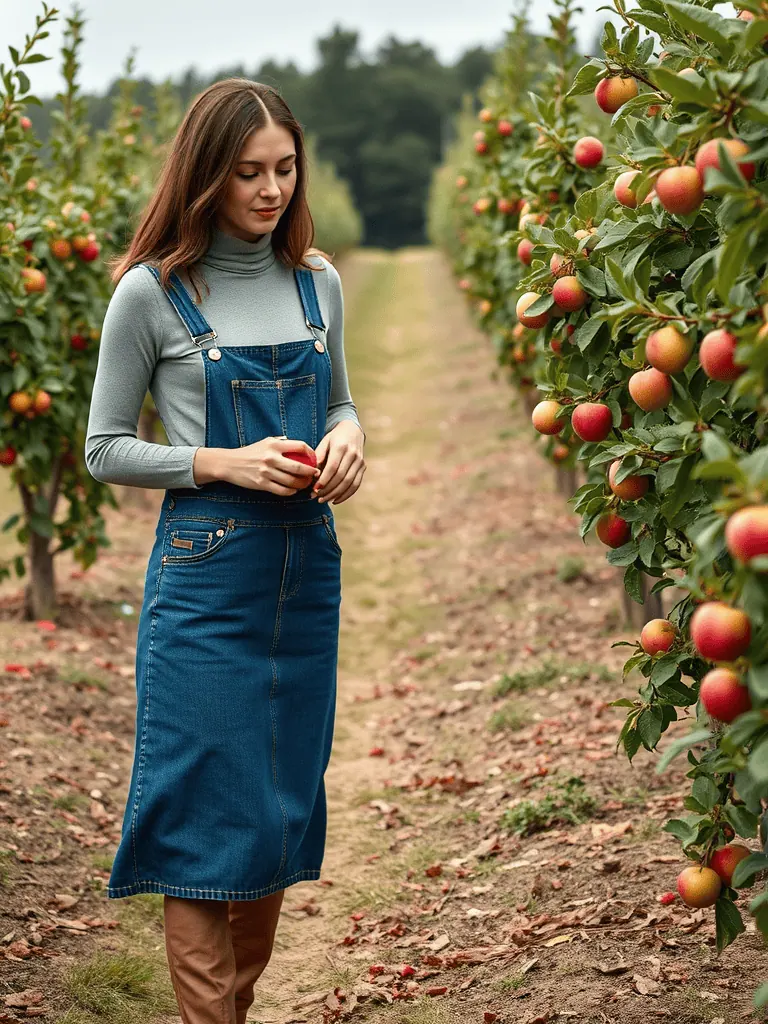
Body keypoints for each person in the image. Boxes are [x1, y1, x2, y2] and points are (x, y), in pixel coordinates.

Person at [84, 77, 366, 1024]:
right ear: (207, 174)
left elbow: (335, 401)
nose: (270, 190)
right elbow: (104, 447)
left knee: (276, 813)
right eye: (248, 172)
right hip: (204, 587)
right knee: (208, 823)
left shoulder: (314, 281)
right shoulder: (153, 293)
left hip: (302, 580)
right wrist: (219, 462)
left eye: (285, 168)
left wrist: (350, 435)